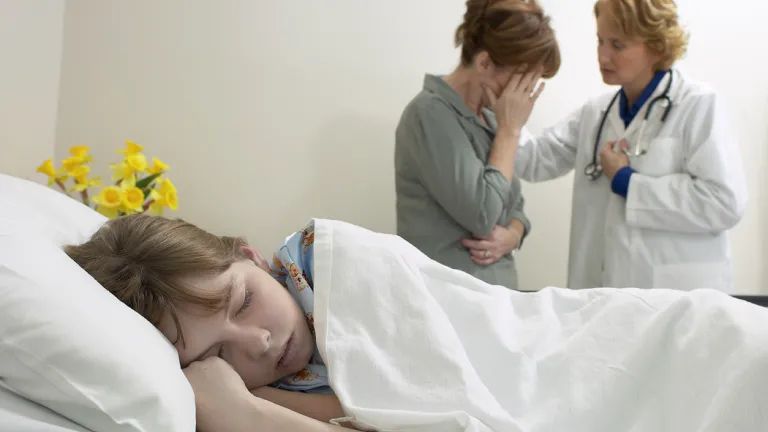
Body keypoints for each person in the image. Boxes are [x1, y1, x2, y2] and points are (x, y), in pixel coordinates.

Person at [514, 0, 748, 291]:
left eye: (617, 45)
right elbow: (535, 161)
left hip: (678, 299)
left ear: (656, 47)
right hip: (601, 293)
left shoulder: (697, 105)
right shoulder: (597, 113)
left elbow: (724, 203)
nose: (603, 55)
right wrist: (508, 118)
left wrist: (628, 182)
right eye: (600, 41)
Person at [64, 214, 351, 431]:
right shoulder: (232, 395)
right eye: (218, 354)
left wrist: (251, 415)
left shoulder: (325, 261)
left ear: (251, 257)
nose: (258, 342)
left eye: (244, 303)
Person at [393, 0, 560, 289]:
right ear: (484, 63)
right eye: (522, 80)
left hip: (494, 301)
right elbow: (483, 213)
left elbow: (516, 205)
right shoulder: (430, 114)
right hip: (448, 302)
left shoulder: (491, 117)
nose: (525, 94)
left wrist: (514, 236)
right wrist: (510, 131)